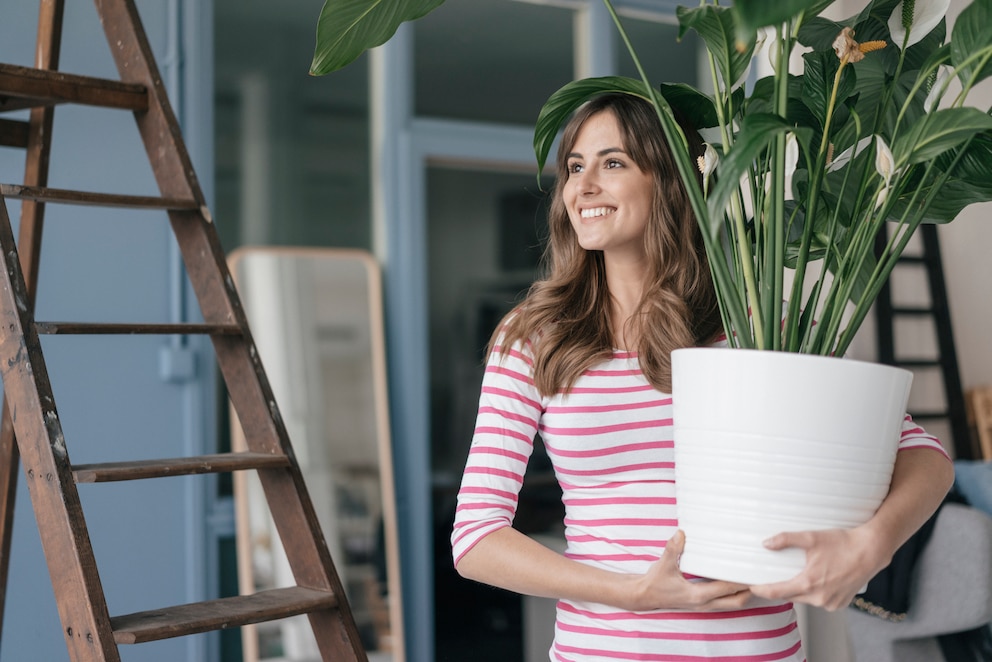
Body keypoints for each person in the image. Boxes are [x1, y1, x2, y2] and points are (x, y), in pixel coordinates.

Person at [449, 92, 954, 661]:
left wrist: (871, 546)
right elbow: (476, 538)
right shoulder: (533, 336)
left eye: (612, 163)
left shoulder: (756, 324)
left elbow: (923, 452)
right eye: (574, 166)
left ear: (671, 180)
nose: (582, 186)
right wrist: (633, 593)